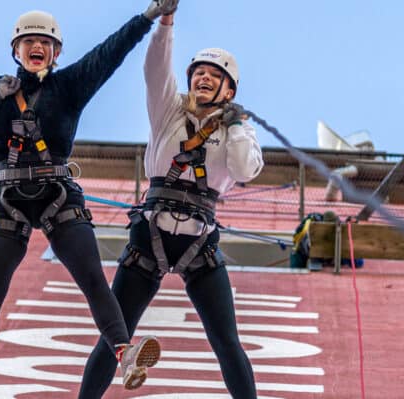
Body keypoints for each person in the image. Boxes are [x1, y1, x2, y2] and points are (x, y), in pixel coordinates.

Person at [0, 2, 180, 399]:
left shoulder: (69, 86)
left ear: (56, 52)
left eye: (45, 42)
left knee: (91, 277)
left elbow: (110, 52)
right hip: (9, 197)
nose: (37, 47)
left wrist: (149, 15)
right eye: (29, 41)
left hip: (58, 194)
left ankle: (125, 352)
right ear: (16, 50)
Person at [79, 9, 262, 399]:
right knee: (114, 337)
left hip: (200, 246)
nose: (204, 77)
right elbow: (155, 68)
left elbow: (245, 169)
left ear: (229, 91)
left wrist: (235, 125)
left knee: (227, 342)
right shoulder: (169, 112)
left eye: (216, 76)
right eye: (199, 72)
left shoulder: (237, 130)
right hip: (149, 238)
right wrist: (166, 22)